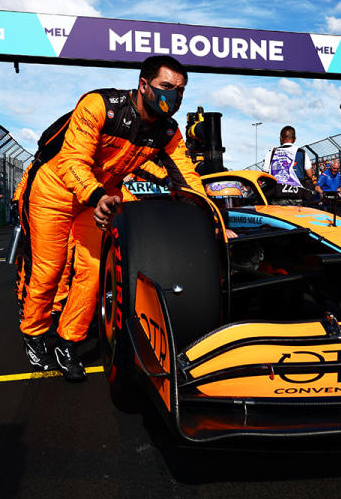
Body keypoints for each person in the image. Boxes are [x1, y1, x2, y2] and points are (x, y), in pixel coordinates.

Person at [16, 55, 216, 382]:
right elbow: (72, 161)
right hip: (54, 189)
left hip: (103, 196)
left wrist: (212, 219)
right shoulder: (99, 105)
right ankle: (34, 331)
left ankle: (68, 341)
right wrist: (96, 196)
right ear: (143, 84)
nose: (174, 96)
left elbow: (187, 179)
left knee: (95, 272)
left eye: (180, 90)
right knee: (49, 268)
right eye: (167, 86)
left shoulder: (168, 131)